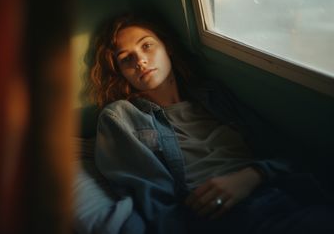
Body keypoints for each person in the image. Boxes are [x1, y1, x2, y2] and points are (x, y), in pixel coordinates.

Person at [86, 13, 334, 234]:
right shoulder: (120, 116)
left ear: (167, 47)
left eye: (147, 46)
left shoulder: (212, 95)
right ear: (119, 72)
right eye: (126, 58)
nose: (140, 61)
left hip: (286, 192)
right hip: (230, 217)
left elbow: (286, 151)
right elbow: (152, 196)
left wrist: (254, 175)